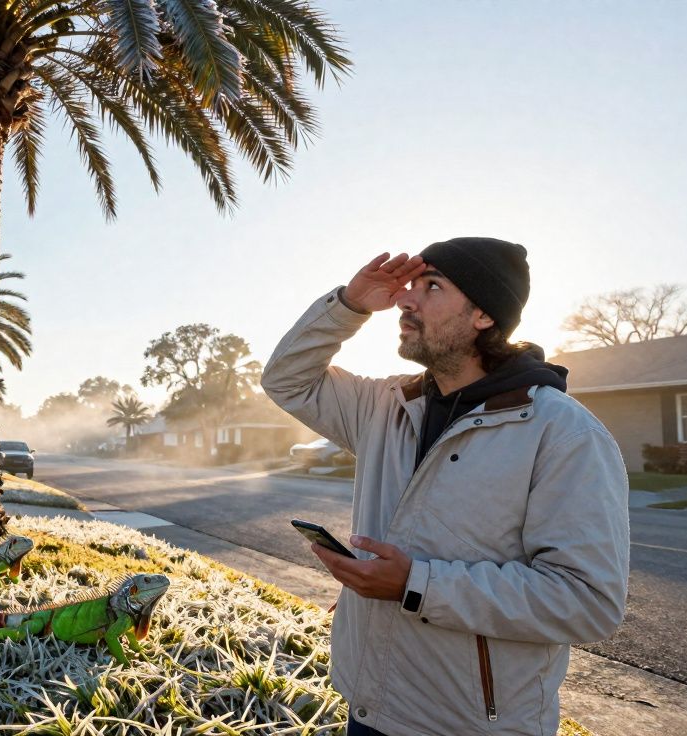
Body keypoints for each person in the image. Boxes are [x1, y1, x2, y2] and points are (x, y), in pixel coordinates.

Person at [260, 237, 629, 736]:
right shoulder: (385, 404)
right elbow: (287, 380)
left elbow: (587, 601)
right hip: (367, 704)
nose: (405, 300)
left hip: (470, 724)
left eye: (431, 286)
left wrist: (416, 585)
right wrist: (348, 305)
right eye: (410, 285)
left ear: (483, 315)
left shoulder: (562, 432)